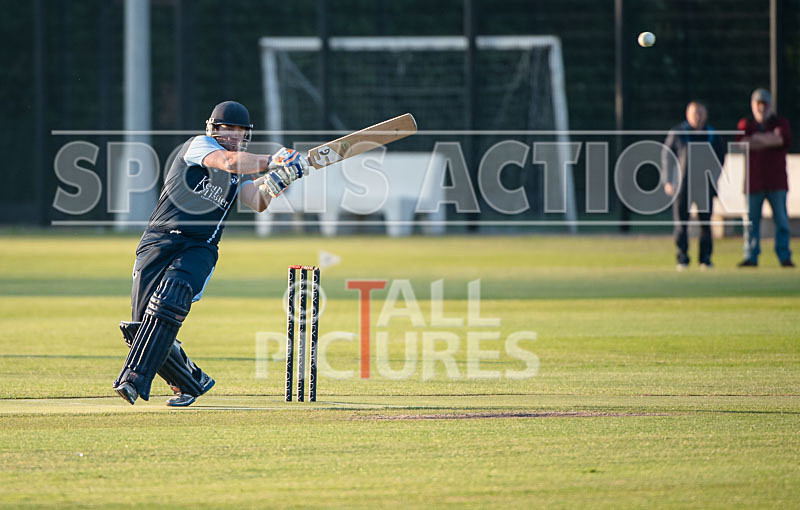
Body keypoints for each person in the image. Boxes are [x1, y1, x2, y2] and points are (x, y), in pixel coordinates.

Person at [113, 100, 308, 406]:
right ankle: (190, 381)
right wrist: (274, 160)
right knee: (140, 330)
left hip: (199, 248)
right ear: (213, 129)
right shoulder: (198, 147)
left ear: (246, 134)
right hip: (158, 240)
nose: (232, 136)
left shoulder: (239, 169)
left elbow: (256, 200)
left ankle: (133, 381)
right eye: (226, 129)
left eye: (239, 131)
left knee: (169, 302)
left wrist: (283, 178)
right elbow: (228, 162)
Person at [662, 101, 725, 271]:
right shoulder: (678, 133)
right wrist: (667, 180)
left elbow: (720, 159)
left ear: (705, 115)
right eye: (694, 113)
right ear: (687, 114)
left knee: (706, 223)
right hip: (682, 186)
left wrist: (714, 178)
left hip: (704, 186)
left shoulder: (712, 134)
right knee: (681, 223)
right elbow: (667, 156)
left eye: (700, 113)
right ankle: (682, 258)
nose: (697, 117)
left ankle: (705, 259)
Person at [736, 89, 794, 268]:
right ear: (753, 106)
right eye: (758, 104)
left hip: (776, 182)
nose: (762, 108)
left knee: (781, 221)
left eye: (765, 104)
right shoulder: (746, 124)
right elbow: (741, 144)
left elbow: (780, 140)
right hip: (754, 183)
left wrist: (756, 139)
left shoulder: (781, 123)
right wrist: (768, 138)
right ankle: (751, 256)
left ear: (770, 106)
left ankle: (784, 256)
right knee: (751, 222)